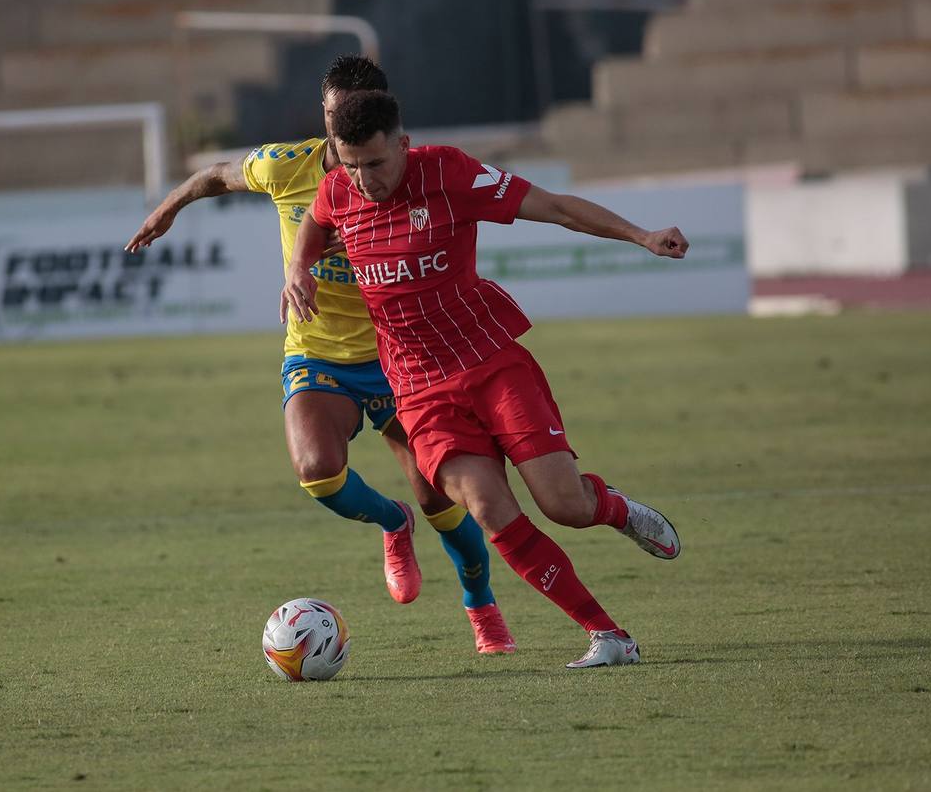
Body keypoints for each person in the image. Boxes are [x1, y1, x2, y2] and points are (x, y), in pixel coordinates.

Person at [281, 89, 686, 669]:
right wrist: (297, 268)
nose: (363, 179)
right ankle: (609, 636)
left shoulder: (448, 173)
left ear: (403, 145)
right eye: (350, 165)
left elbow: (555, 207)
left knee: (563, 506)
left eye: (375, 163)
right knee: (488, 508)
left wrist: (642, 235)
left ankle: (615, 509)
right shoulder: (337, 189)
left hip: (490, 364)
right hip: (419, 391)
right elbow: (316, 223)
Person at [126, 56, 517, 654]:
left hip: (400, 359)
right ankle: (392, 522)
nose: (343, 131)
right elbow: (214, 174)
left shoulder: (405, 174)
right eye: (335, 117)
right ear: (325, 115)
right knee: (316, 471)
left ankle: (480, 605)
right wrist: (169, 207)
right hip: (317, 352)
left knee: (444, 501)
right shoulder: (288, 166)